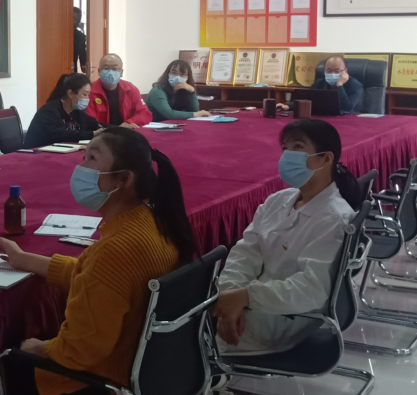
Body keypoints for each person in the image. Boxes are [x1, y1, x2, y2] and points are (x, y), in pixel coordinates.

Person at [0, 128, 196, 395]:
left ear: (123, 180)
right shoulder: (153, 222)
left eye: (92, 159)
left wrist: (39, 348)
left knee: (6, 359)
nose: (81, 168)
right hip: (150, 382)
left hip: (105, 392)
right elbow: (101, 279)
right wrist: (26, 260)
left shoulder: (114, 250)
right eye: (83, 157)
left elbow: (80, 350)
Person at [212, 119, 358, 355]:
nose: (288, 155)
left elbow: (312, 289)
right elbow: (245, 252)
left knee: (182, 331)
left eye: (298, 147)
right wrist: (231, 293)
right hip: (250, 304)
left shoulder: (334, 218)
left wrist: (246, 297)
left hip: (285, 316)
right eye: (285, 148)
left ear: (326, 159)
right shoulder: (277, 201)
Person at [23, 73, 103, 149]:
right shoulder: (49, 111)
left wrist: (106, 130)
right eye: (85, 94)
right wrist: (92, 134)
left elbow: (94, 124)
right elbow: (60, 135)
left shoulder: (77, 112)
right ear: (70, 93)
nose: (88, 99)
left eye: (88, 95)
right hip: (35, 153)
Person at [278, 55, 364, 115]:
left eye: (337, 71)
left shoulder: (355, 86)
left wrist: (340, 85)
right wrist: (288, 106)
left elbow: (347, 108)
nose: (332, 74)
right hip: (322, 119)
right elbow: (307, 99)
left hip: (347, 122)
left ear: (345, 71)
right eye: (329, 71)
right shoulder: (319, 83)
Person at [84, 53, 152, 129]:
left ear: (121, 72)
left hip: (126, 132)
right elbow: (89, 120)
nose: (110, 72)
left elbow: (145, 114)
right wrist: (116, 129)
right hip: (101, 133)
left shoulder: (130, 89)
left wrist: (128, 123)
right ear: (99, 71)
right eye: (106, 68)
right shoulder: (89, 91)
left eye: (115, 69)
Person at [145, 60, 213, 122]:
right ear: (167, 74)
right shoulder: (157, 91)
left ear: (188, 77)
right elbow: (169, 114)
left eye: (182, 74)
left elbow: (194, 110)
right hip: (153, 127)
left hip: (173, 125)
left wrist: (192, 92)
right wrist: (197, 114)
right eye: (174, 73)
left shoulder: (184, 90)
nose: (177, 77)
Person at [73, 6, 87, 74]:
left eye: (78, 20)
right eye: (73, 18)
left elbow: (83, 59)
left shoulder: (80, 37)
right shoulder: (56, 35)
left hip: (72, 72)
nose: (75, 22)